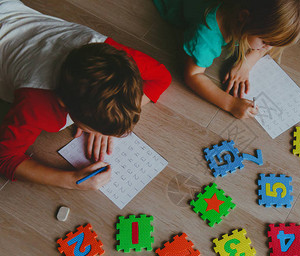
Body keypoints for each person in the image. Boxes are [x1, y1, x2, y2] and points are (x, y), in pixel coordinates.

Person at [0, 0, 172, 190]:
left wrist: (109, 121)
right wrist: (72, 180)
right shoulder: (37, 102)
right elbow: (5, 158)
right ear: (64, 104)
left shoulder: (109, 55)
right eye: (93, 128)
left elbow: (162, 77)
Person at [153, 0, 300, 119]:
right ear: (243, 17)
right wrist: (231, 104)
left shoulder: (255, 12)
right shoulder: (206, 35)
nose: (267, 48)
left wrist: (247, 62)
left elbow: (270, 41)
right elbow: (193, 76)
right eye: (265, 42)